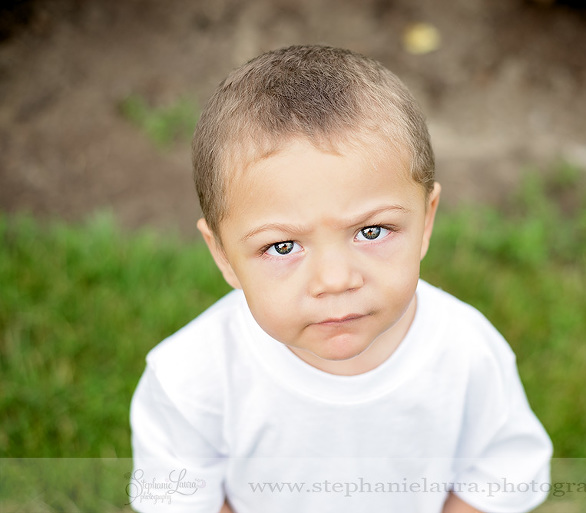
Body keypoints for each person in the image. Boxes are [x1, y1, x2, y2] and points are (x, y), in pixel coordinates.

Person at [130, 45, 552, 513]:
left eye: (371, 231)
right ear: (223, 256)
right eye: (282, 246)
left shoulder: (468, 354)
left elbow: (500, 472)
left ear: (426, 222)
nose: (335, 279)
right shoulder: (191, 379)